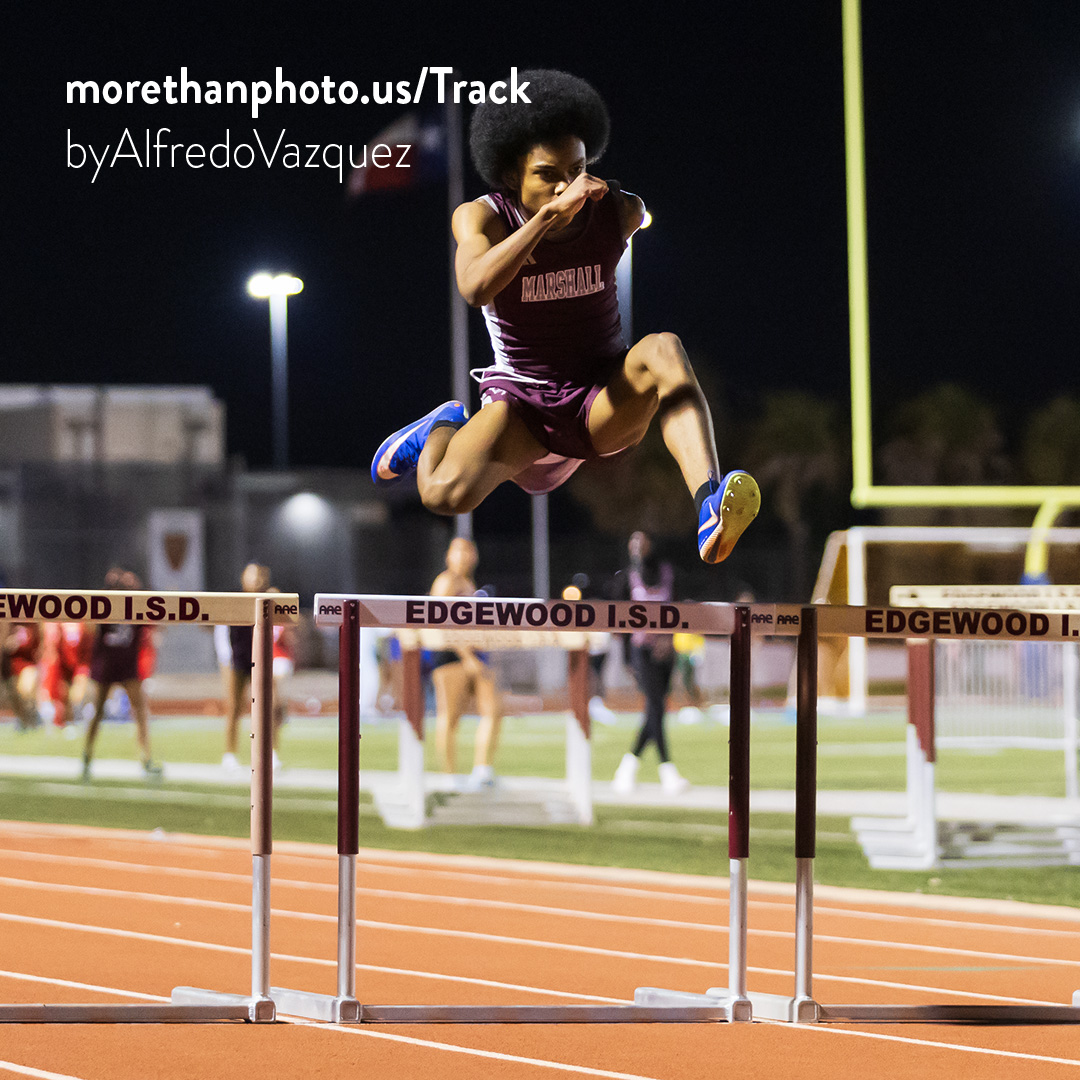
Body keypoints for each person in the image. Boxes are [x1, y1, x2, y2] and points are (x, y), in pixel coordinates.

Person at [372, 68, 759, 565]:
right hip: (523, 412)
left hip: (599, 400)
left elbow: (637, 212)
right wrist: (546, 220)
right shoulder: (482, 217)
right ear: (512, 175)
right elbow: (473, 286)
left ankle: (709, 502)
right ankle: (442, 426)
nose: (566, 187)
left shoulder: (615, 211)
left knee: (663, 347)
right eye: (548, 175)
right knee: (441, 494)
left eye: (576, 170)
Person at [612, 531, 690, 796]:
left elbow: (680, 610)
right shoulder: (627, 578)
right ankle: (667, 770)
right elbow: (619, 622)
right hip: (641, 652)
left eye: (641, 542)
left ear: (651, 545)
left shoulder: (669, 572)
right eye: (631, 542)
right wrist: (626, 659)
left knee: (656, 710)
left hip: (666, 651)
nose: (636, 547)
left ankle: (627, 767)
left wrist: (669, 639)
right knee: (655, 705)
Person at [428, 536, 502, 790]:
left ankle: (482, 770)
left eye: (469, 550)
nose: (464, 556)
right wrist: (467, 656)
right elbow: (440, 621)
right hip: (450, 656)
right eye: (458, 550)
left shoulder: (469, 584)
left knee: (493, 710)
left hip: (475, 655)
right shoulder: (446, 581)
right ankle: (449, 776)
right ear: (448, 556)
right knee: (450, 717)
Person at [81, 569, 162, 781]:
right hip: (106, 662)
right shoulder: (103, 602)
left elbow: (156, 623)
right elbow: (89, 627)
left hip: (127, 662)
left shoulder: (139, 601)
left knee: (140, 709)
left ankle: (146, 757)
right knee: (97, 711)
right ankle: (86, 755)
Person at [219, 562, 282, 774]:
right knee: (234, 707)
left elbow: (288, 621)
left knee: (271, 707)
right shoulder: (234, 600)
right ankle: (229, 754)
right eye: (250, 575)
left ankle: (272, 754)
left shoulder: (268, 599)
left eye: (257, 576)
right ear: (243, 578)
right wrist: (225, 660)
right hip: (239, 660)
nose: (254, 579)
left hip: (263, 660)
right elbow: (222, 630)